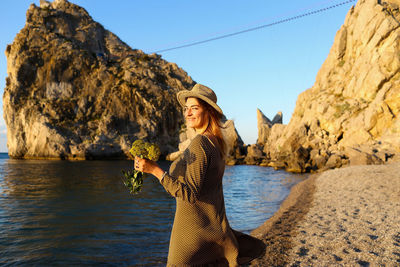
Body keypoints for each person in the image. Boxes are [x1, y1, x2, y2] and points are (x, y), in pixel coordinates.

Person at [134, 83, 265, 266]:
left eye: (194, 108)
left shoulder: (201, 144)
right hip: (207, 230)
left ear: (209, 111)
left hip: (190, 235)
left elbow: (189, 194)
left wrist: (155, 170)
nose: (187, 113)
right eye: (186, 109)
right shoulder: (216, 143)